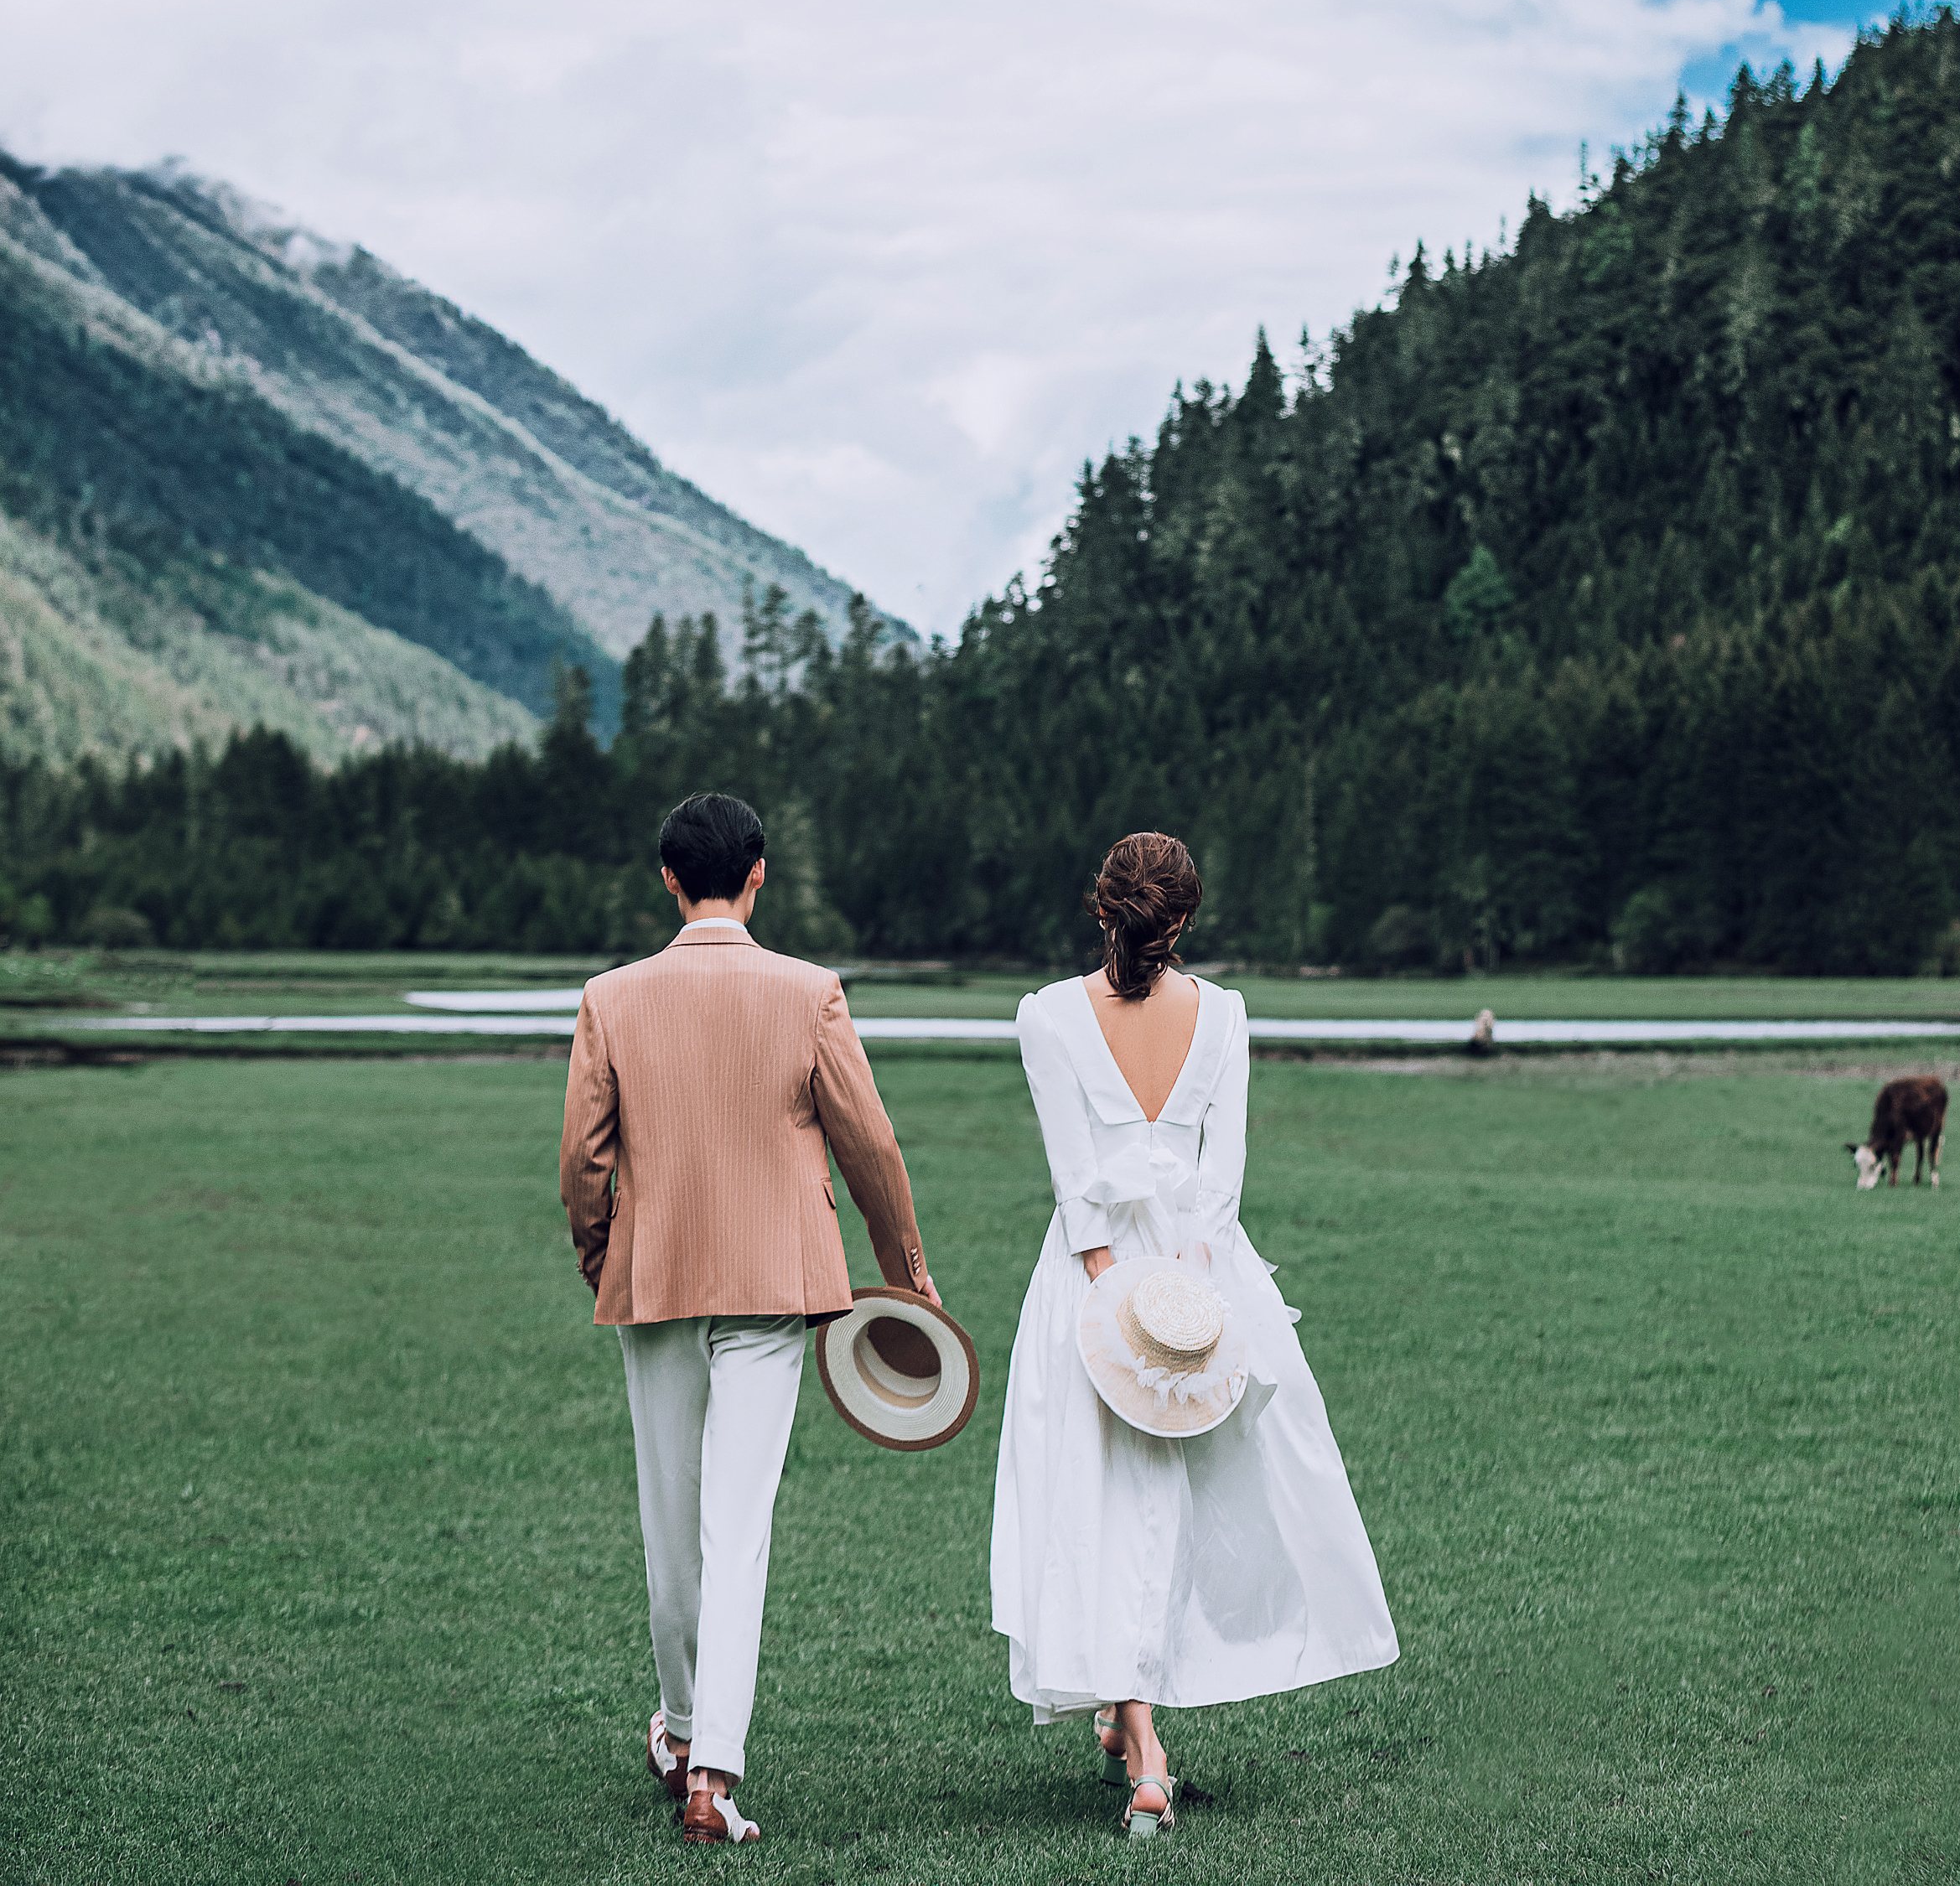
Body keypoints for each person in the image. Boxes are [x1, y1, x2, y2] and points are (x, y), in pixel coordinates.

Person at [991, 829, 1397, 1835]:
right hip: (1192, 1277)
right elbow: (1220, 1186)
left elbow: (1075, 1185)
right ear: (1183, 920)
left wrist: (1112, 1297)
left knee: (1102, 1498)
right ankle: (1134, 1726)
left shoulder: (1046, 1017)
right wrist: (1185, 1296)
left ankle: (1141, 1745)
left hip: (1100, 1279)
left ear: (1102, 911)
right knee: (1164, 1495)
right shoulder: (1222, 1015)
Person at [560, 789, 939, 1846]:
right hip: (774, 1286)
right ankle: (709, 1774)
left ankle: (683, 1732)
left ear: (669, 880)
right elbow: (871, 1144)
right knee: (739, 1525)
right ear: (759, 873)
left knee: (669, 1523)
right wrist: (905, 1272)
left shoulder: (610, 997)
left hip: (656, 1277)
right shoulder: (809, 991)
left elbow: (584, 1161)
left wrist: (607, 1259)